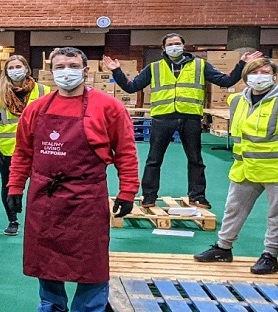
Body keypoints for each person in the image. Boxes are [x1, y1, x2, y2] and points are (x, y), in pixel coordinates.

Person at [6, 47, 140, 312]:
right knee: (46, 253)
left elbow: (127, 152)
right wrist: (16, 186)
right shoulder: (37, 109)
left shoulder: (108, 107)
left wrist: (128, 190)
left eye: (73, 65)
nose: (67, 71)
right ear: (51, 71)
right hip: (45, 194)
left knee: (89, 257)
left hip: (87, 193)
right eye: (60, 66)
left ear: (85, 69)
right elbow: (23, 152)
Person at [103, 33, 263, 209]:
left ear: (183, 46)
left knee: (195, 160)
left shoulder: (200, 65)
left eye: (177, 43)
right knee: (154, 160)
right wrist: (116, 71)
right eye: (170, 44)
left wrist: (242, 64)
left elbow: (226, 81)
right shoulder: (154, 67)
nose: (174, 47)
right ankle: (149, 196)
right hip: (162, 118)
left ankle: (197, 196)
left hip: (190, 118)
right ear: (164, 48)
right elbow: (131, 87)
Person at [193, 58, 278, 274]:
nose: (260, 76)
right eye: (255, 72)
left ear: (274, 76)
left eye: (265, 71)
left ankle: (270, 255)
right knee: (233, 209)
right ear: (246, 77)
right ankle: (223, 247)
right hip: (245, 167)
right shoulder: (237, 101)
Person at [0, 55, 51, 236]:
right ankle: (12, 220)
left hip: (38, 148)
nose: (15, 70)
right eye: (11, 67)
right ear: (6, 71)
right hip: (8, 149)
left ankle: (40, 219)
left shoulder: (43, 91)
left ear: (26, 68)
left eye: (18, 66)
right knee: (8, 185)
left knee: (41, 185)